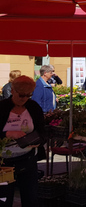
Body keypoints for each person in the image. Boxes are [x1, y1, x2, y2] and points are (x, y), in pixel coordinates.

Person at [0, 75, 46, 207]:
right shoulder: (2, 107)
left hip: (27, 159)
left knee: (30, 198)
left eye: (28, 95)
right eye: (21, 95)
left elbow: (42, 131)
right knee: (4, 199)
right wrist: (6, 134)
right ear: (12, 90)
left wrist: (38, 141)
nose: (24, 99)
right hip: (4, 163)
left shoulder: (33, 107)